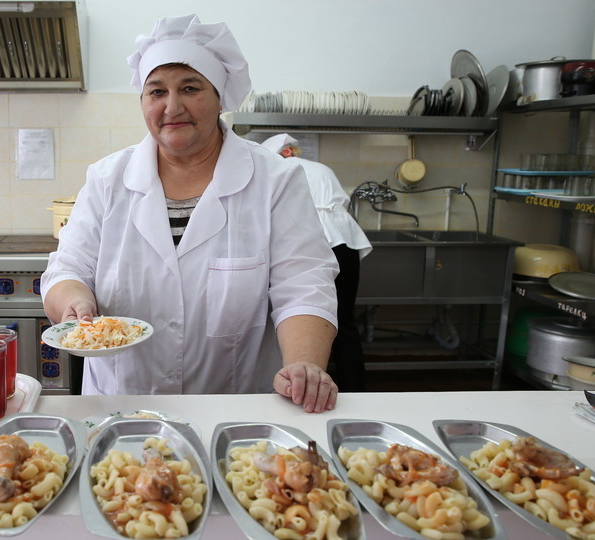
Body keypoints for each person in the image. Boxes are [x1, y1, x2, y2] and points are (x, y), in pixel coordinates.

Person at [41, 14, 340, 413]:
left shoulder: (275, 180)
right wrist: (75, 303)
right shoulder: (107, 179)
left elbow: (303, 285)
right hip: (119, 405)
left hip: (234, 409)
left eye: (190, 88)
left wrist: (304, 364)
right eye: (156, 91)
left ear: (219, 97)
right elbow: (67, 270)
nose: (172, 106)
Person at [261, 134, 372, 392]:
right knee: (344, 322)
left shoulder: (280, 171)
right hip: (346, 243)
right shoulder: (322, 168)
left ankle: (303, 382)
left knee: (296, 319)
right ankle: (355, 390)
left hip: (311, 240)